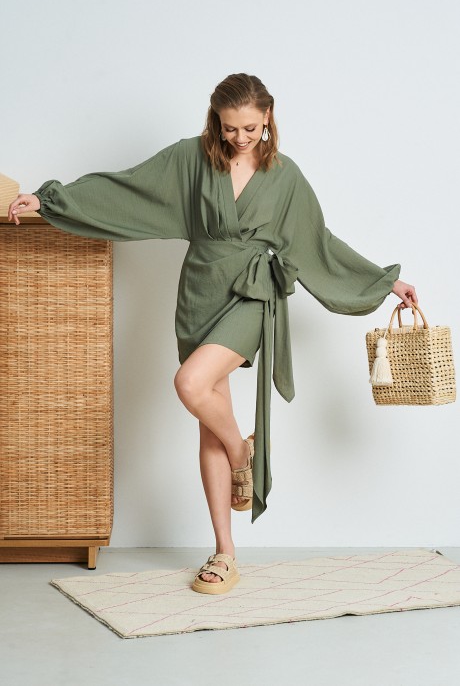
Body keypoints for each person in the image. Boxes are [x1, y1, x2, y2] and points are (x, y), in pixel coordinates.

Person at [8, 72, 417, 595]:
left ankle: (243, 456)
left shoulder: (286, 177)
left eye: (249, 127)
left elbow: (319, 241)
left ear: (268, 117)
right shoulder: (192, 158)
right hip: (199, 291)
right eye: (229, 128)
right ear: (215, 121)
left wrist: (385, 282)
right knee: (208, 423)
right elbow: (128, 187)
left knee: (190, 383)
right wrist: (51, 200)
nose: (239, 138)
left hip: (250, 295)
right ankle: (225, 552)